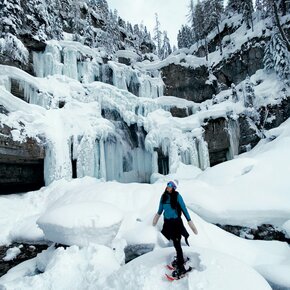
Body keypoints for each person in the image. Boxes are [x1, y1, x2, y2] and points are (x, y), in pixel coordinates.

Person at [152, 180, 198, 277]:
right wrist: (156, 218)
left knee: (177, 243)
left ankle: (181, 267)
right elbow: (160, 210)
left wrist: (190, 221)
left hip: (176, 223)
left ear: (174, 188)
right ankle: (179, 259)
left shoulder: (177, 196)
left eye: (170, 185)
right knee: (174, 242)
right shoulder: (163, 196)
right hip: (167, 224)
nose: (168, 186)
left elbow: (184, 209)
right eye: (168, 184)